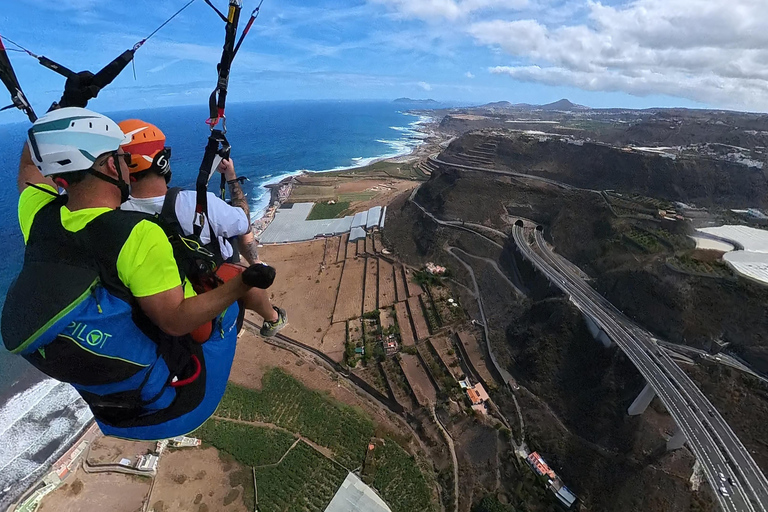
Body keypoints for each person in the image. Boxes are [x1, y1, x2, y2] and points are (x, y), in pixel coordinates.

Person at [1, 107, 276, 441]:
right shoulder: (137, 234)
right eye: (120, 157)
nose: (126, 167)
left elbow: (29, 168)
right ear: (108, 165)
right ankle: (272, 317)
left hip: (110, 408)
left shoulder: (39, 216)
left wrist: (61, 110)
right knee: (229, 287)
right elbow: (176, 321)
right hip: (181, 404)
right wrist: (243, 284)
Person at [118, 119, 287, 338]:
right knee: (240, 273)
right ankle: (272, 317)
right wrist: (231, 177)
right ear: (161, 162)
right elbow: (243, 220)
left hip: (157, 294)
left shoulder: (118, 212)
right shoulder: (195, 203)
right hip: (206, 283)